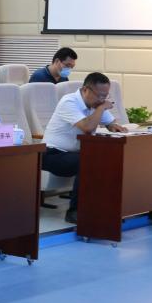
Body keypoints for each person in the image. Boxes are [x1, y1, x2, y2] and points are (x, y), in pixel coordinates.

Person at [42, 72, 127, 224]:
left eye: (105, 96)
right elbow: (87, 127)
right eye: (100, 95)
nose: (102, 99)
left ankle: (106, 209)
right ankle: (75, 211)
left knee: (108, 159)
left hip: (75, 154)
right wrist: (101, 108)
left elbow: (110, 123)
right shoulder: (69, 101)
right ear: (85, 90)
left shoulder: (95, 104)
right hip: (52, 154)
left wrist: (114, 127)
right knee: (88, 160)